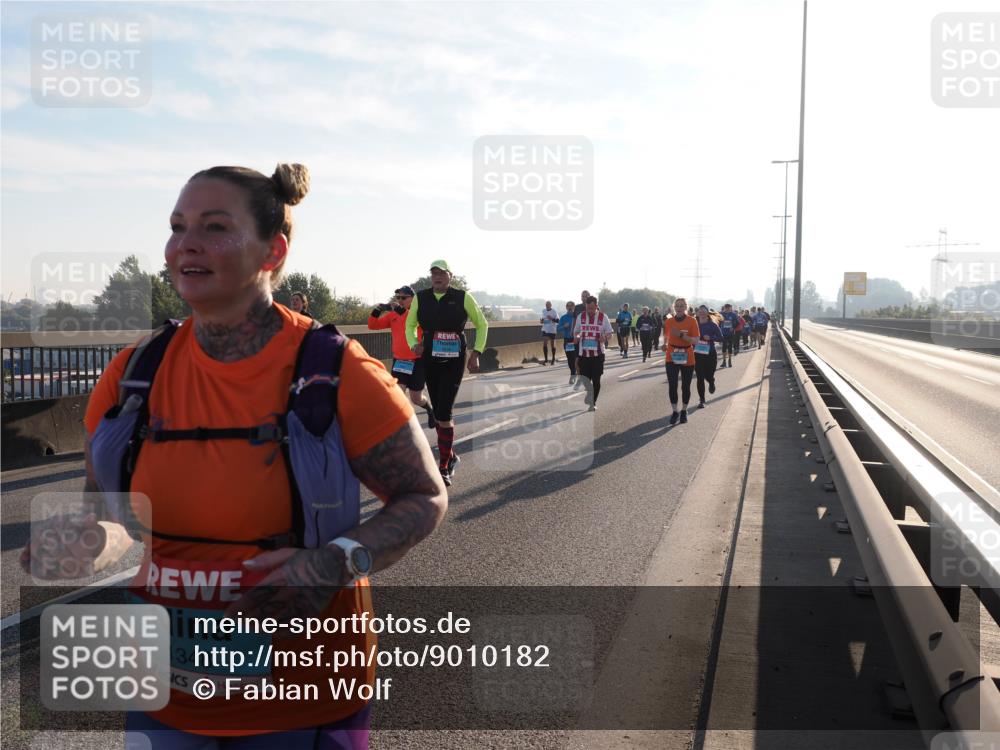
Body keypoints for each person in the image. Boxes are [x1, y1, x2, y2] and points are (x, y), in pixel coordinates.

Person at [20, 163, 448, 747]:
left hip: (303, 696)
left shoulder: (337, 372)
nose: (185, 243)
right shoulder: (131, 376)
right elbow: (116, 519)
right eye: (177, 226)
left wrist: (336, 561)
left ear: (273, 250)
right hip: (163, 695)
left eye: (214, 227)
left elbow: (423, 497)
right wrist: (89, 543)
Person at [405, 260, 488, 486]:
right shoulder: (421, 298)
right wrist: (414, 343)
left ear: (450, 276)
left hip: (454, 359)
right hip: (430, 357)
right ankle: (450, 456)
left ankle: (443, 465)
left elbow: (482, 325)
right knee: (440, 409)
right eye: (434, 274)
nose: (437, 277)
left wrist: (476, 353)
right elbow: (409, 325)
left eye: (441, 273)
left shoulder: (463, 297)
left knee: (444, 412)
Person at [368, 285, 435, 428]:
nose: (400, 300)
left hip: (417, 361)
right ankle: (405, 426)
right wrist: (378, 309)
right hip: (400, 362)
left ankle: (430, 410)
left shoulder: (419, 313)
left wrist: (403, 312)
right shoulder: (393, 315)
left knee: (416, 398)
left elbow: (415, 323)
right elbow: (372, 325)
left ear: (413, 299)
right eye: (398, 298)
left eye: (404, 298)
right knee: (397, 395)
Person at [663, 297, 700, 424]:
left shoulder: (692, 321)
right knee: (672, 385)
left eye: (681, 306)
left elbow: (695, 341)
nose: (679, 308)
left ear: (686, 307)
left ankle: (684, 410)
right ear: (674, 307)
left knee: (685, 386)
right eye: (677, 306)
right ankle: (675, 411)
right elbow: (666, 337)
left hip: (687, 354)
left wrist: (681, 335)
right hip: (671, 355)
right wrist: (664, 345)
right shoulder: (669, 322)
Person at [573, 295, 613, 411]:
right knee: (586, 379)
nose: (589, 311)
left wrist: (604, 337)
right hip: (584, 354)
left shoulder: (603, 317)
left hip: (598, 355)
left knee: (596, 379)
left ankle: (592, 402)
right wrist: (577, 337)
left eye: (591, 308)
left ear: (596, 306)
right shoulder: (581, 316)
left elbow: (610, 333)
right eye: (587, 308)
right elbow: (576, 332)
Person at [694, 305, 723, 407]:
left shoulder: (713, 325)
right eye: (700, 311)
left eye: (703, 311)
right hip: (697, 354)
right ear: (697, 313)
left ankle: (711, 381)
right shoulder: (694, 324)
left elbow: (721, 338)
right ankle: (702, 400)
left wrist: (710, 337)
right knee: (700, 377)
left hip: (710, 353)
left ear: (707, 313)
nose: (701, 313)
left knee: (709, 374)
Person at [557, 300, 578, 385]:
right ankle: (573, 372)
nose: (570, 307)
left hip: (575, 339)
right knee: (570, 359)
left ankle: (573, 374)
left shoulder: (577, 317)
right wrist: (564, 326)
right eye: (568, 306)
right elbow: (557, 329)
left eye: (571, 306)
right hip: (567, 340)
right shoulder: (563, 317)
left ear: (574, 307)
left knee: (575, 358)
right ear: (566, 308)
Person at [719, 303, 740, 368]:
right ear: (724, 308)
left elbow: (737, 322)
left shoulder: (733, 314)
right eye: (726, 308)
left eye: (729, 308)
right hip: (723, 333)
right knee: (724, 347)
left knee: (730, 347)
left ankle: (730, 361)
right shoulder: (721, 314)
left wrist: (733, 327)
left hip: (731, 333)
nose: (727, 309)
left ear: (730, 308)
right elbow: (717, 322)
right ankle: (724, 361)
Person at [540, 300, 560, 366]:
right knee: (545, 343)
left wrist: (551, 318)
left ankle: (553, 359)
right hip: (545, 329)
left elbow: (558, 321)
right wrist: (541, 321)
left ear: (551, 305)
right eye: (546, 304)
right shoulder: (543, 311)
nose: (547, 305)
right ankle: (546, 359)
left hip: (552, 330)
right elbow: (542, 320)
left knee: (552, 344)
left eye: (548, 304)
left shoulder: (554, 311)